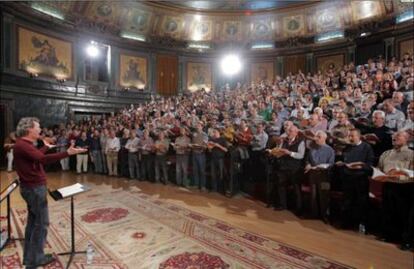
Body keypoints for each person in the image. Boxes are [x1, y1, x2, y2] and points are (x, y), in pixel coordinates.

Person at [13, 117, 86, 268]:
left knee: (34, 223)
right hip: (34, 189)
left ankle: (30, 257)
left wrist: (45, 146)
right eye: (37, 127)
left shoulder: (24, 144)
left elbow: (36, 157)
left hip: (31, 188)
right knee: (41, 223)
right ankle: (35, 260)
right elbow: (42, 159)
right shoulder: (23, 145)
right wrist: (67, 153)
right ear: (29, 129)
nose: (40, 130)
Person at [304, 131, 335, 219]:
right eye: (316, 136)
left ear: (324, 138)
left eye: (319, 137)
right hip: (313, 174)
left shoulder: (330, 150)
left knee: (324, 196)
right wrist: (308, 164)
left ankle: (324, 215)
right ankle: (314, 214)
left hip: (324, 176)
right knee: (313, 195)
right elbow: (307, 160)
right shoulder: (312, 148)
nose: (316, 138)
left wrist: (322, 166)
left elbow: (331, 163)